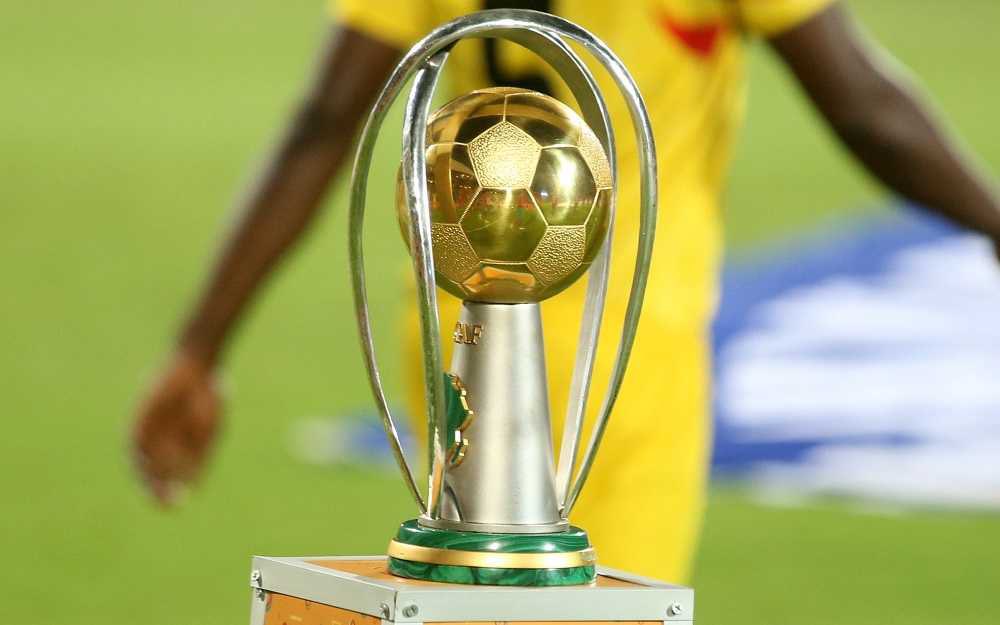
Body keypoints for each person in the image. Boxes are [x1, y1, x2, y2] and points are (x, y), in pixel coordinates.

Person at [131, 0, 1000, 584]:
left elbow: (325, 119)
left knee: (479, 595)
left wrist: (200, 346)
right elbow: (865, 107)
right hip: (626, 353)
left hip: (459, 335)